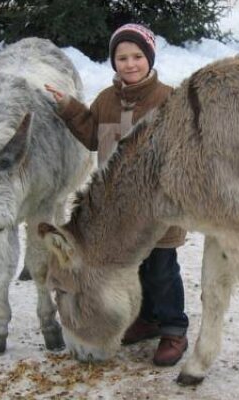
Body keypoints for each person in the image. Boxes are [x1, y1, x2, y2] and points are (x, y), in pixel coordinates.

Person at [44, 23, 189, 367]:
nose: (130, 64)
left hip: (160, 212)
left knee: (161, 270)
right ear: (114, 62)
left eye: (138, 56)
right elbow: (92, 135)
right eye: (122, 57)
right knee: (133, 270)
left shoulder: (168, 100)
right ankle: (147, 319)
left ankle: (173, 328)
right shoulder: (107, 101)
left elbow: (183, 154)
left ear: (149, 59)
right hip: (115, 217)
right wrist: (68, 107)